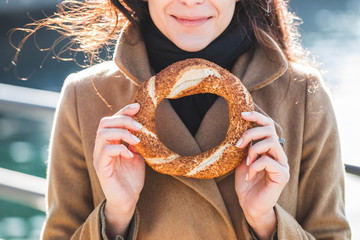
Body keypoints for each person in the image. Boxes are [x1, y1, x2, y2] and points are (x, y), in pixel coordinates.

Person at [17, 0, 350, 239]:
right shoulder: (85, 96)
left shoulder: (304, 94)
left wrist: (267, 222)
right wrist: (115, 216)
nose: (192, 1)